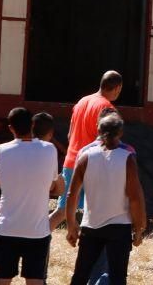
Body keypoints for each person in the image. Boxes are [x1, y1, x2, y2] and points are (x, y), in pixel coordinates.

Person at [66, 114, 147, 285]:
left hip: (91, 225)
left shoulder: (85, 157)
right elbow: (135, 198)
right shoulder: (127, 159)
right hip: (119, 227)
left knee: (80, 275)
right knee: (118, 277)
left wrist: (71, 225)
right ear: (121, 133)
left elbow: (71, 195)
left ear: (98, 131)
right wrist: (139, 228)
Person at [0, 107, 65, 285]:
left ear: (10, 128)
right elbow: (54, 186)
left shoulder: (1, 150)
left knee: (2, 281)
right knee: (35, 281)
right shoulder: (49, 150)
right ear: (32, 125)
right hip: (37, 231)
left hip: (6, 228)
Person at [57, 71, 123, 222]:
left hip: (71, 161)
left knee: (61, 211)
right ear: (118, 87)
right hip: (92, 164)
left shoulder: (82, 101)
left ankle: (41, 237)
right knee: (96, 212)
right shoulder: (107, 108)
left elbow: (69, 135)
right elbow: (110, 141)